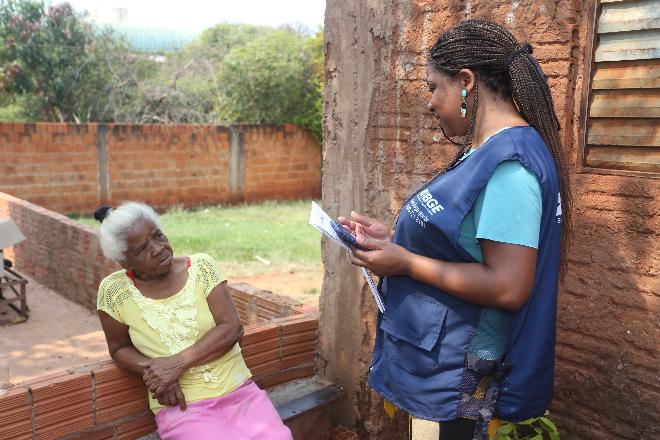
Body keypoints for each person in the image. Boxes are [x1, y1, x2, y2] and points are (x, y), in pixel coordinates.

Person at [339, 20, 571, 440]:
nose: (430, 103)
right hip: (435, 360)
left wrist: (406, 263)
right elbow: (462, 243)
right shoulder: (482, 151)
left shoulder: (510, 167)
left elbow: (507, 285)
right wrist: (393, 242)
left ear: (465, 81)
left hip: (461, 380)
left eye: (433, 87)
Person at [94, 202, 292, 440]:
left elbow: (232, 328)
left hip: (240, 393)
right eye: (142, 249)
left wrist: (176, 364)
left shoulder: (200, 268)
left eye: (158, 235)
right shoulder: (114, 292)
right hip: (184, 407)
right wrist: (155, 373)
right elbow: (118, 348)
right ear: (124, 262)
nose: (158, 249)